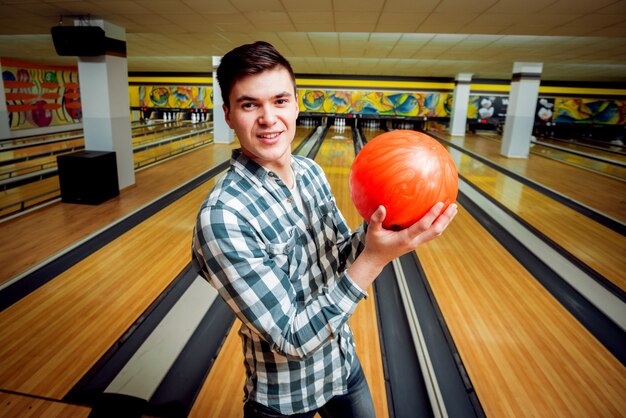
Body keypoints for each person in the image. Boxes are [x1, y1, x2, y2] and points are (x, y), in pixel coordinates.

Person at [192, 41, 457, 418]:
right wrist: (376, 259)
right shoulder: (223, 219)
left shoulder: (311, 173)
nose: (268, 118)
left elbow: (339, 255)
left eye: (280, 100)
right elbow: (290, 337)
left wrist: (385, 228)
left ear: (297, 105)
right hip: (284, 397)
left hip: (342, 366)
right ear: (229, 115)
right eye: (250, 104)